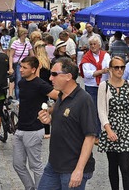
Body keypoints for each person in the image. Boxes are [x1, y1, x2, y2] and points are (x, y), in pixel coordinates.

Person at [37, 57, 96, 189]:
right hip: (54, 165)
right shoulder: (61, 95)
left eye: (54, 74)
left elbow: (90, 137)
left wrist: (79, 170)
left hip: (72, 168)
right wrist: (49, 120)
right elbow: (67, 123)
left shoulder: (84, 100)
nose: (50, 78)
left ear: (68, 76)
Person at [98, 56, 129, 190]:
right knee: (113, 166)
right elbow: (101, 110)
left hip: (127, 130)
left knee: (126, 167)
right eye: (116, 67)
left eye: (122, 67)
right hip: (110, 129)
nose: (119, 70)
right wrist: (108, 130)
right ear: (110, 69)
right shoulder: (104, 86)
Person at [14, 56, 58, 189]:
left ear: (33, 69)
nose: (21, 70)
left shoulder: (40, 84)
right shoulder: (21, 83)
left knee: (35, 166)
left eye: (24, 67)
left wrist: (49, 111)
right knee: (17, 164)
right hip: (20, 128)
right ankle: (30, 187)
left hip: (34, 129)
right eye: (21, 67)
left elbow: (60, 96)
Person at [80, 36, 110, 138]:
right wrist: (101, 71)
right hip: (91, 87)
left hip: (103, 85)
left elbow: (110, 67)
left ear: (99, 45)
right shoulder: (86, 57)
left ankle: (104, 131)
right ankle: (94, 133)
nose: (93, 46)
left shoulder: (105, 55)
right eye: (91, 44)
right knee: (93, 110)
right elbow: (86, 73)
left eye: (94, 44)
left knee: (104, 109)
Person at [8, 28, 34, 99]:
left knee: (26, 81)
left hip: (26, 64)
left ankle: (24, 97)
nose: (26, 35)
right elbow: (11, 56)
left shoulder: (27, 43)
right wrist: (10, 67)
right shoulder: (15, 43)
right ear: (21, 34)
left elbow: (32, 55)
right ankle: (18, 99)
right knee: (18, 82)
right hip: (18, 65)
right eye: (25, 33)